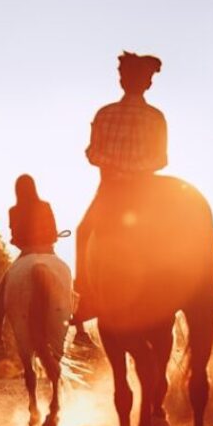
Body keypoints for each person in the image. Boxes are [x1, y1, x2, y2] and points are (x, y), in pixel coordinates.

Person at [71, 51, 167, 345]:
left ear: (122, 80)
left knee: (84, 232)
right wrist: (136, 167)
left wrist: (116, 165)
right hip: (146, 193)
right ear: (147, 84)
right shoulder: (156, 117)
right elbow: (160, 159)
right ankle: (199, 288)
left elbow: (92, 154)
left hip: (110, 192)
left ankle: (85, 298)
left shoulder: (105, 114)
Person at [0, 174, 59, 349]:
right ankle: (80, 332)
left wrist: (18, 241)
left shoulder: (14, 210)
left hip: (27, 253)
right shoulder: (45, 206)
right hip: (48, 251)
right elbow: (54, 233)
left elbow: (16, 238)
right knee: (68, 283)